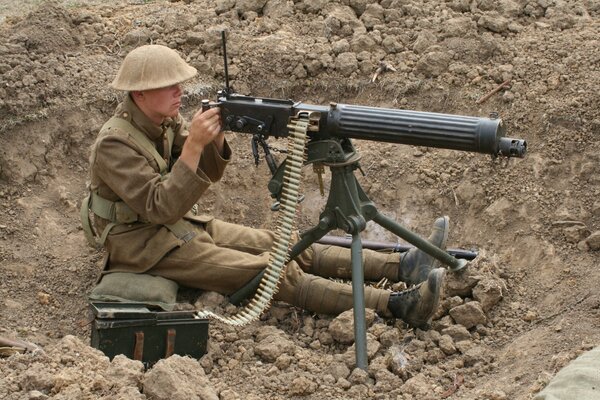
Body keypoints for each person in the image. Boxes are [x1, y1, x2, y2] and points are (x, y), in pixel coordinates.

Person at [81, 44, 448, 330]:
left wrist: (213, 139)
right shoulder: (114, 144)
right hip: (141, 245)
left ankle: (402, 267)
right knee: (270, 272)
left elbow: (205, 173)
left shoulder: (161, 119)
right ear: (139, 94)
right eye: (168, 85)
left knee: (287, 245)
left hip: (176, 227)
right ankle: (397, 306)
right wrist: (193, 145)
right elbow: (160, 206)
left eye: (179, 83)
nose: (180, 91)